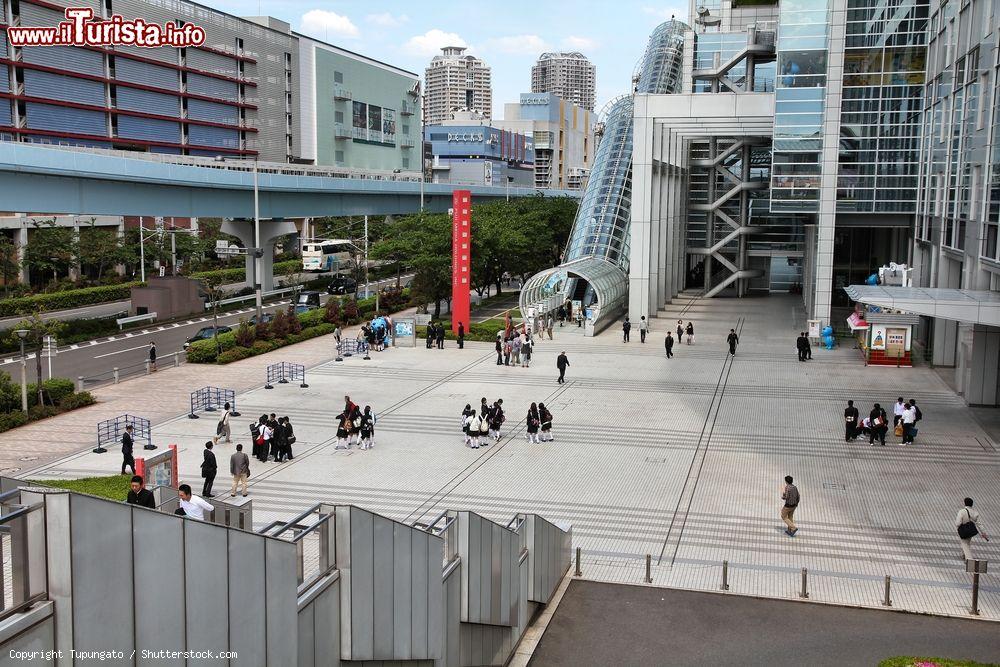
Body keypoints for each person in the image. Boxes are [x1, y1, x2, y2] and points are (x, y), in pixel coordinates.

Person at [957, 497, 989, 561]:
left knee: (964, 544)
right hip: (971, 531)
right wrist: (984, 533)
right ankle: (964, 555)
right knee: (967, 542)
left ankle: (969, 559)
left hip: (963, 530)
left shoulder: (962, 511)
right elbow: (979, 524)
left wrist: (958, 527)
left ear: (965, 503)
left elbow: (958, 522)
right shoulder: (975, 513)